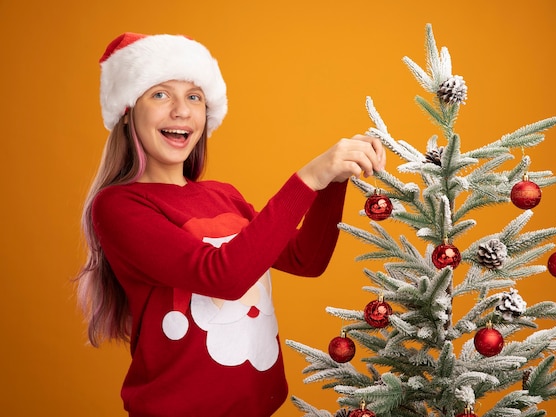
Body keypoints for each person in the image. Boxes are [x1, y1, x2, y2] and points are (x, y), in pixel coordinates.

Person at [75, 32, 386, 417]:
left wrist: (333, 182)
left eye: (194, 96)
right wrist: (308, 178)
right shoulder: (120, 206)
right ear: (127, 111)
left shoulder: (224, 195)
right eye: (160, 94)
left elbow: (307, 259)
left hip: (258, 407)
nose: (181, 110)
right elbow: (222, 275)